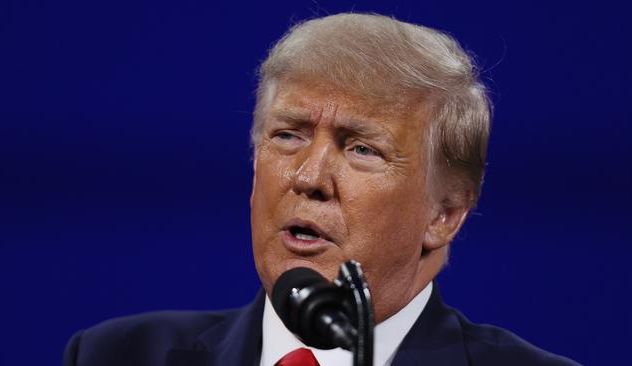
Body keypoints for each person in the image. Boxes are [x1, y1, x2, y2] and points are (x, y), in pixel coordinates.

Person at [63, 13, 579, 366]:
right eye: (288, 136)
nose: (308, 178)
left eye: (361, 149)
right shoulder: (116, 354)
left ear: (443, 215)